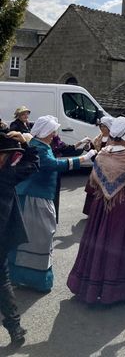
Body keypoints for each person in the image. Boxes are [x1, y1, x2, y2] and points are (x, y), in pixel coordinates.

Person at [67, 117, 125, 304]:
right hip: (124, 206)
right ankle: (118, 290)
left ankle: (92, 286)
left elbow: (94, 181)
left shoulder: (102, 154)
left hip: (100, 206)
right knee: (121, 245)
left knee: (98, 242)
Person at [8, 116, 96, 292]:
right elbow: (54, 164)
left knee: (33, 239)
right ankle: (34, 280)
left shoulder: (39, 143)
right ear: (46, 132)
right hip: (34, 198)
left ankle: (22, 277)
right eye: (52, 131)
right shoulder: (39, 147)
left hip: (36, 196)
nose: (54, 134)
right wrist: (84, 158)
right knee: (40, 238)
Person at [0, 132, 39, 345]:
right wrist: (26, 142)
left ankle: (15, 327)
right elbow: (33, 162)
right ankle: (14, 327)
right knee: (3, 283)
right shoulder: (7, 175)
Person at [82, 115, 114, 215]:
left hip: (107, 169)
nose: (102, 128)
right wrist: (88, 147)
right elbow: (92, 151)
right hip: (96, 168)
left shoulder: (113, 140)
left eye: (104, 126)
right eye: (101, 126)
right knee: (93, 189)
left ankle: (102, 212)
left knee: (103, 191)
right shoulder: (97, 138)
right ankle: (90, 211)